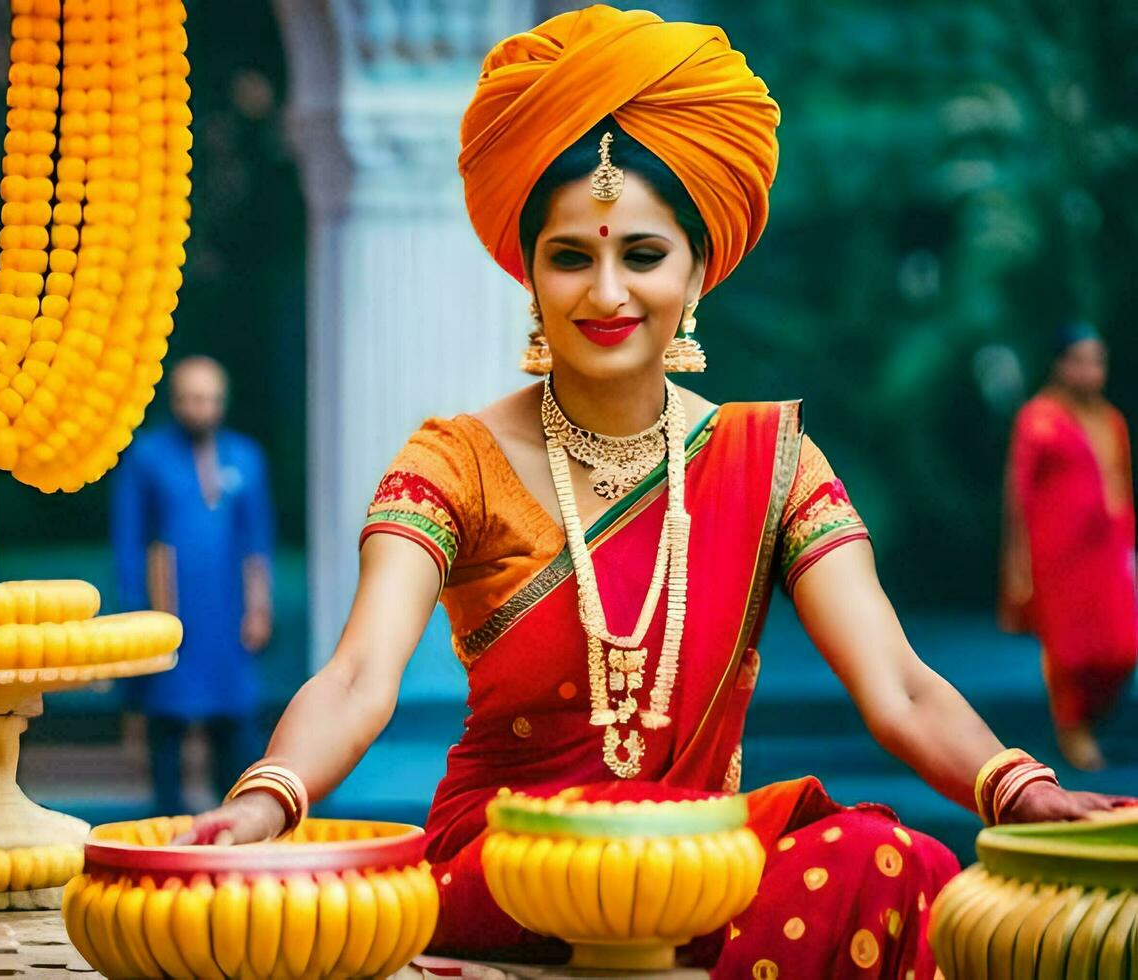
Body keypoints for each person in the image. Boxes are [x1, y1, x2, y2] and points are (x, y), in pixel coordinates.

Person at [180, 8, 1130, 976]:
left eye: (641, 255)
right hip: (515, 860)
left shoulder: (774, 460)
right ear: (530, 271)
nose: (605, 293)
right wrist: (267, 795)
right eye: (570, 256)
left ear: (698, 268)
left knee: (892, 864)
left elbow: (900, 684)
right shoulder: (455, 459)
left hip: (701, 860)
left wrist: (1017, 787)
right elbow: (356, 676)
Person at [111, 355, 275, 814]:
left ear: (221, 402)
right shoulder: (147, 457)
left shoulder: (245, 457)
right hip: (170, 615)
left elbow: (256, 539)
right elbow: (129, 541)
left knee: (235, 727)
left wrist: (260, 608)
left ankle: (236, 827)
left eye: (207, 399)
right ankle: (166, 831)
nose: (198, 408)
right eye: (189, 398)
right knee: (166, 726)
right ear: (175, 400)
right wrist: (136, 614)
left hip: (228, 616)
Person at [1000, 323, 1136, 771]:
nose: (1090, 370)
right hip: (1058, 558)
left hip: (1107, 554)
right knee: (1069, 652)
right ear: (1060, 365)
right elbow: (1018, 492)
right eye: (1080, 360)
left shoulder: (1111, 420)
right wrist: (1018, 560)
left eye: (1097, 360)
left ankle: (1090, 717)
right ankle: (1072, 729)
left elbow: (1120, 486)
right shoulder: (1039, 418)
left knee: (1123, 647)